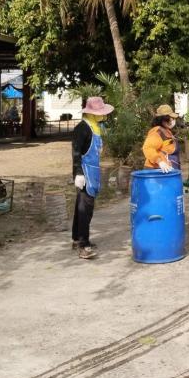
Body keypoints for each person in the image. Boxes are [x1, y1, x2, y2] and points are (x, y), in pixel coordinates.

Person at [71, 96, 115, 260]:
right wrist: (78, 173)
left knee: (81, 207)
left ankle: (77, 238)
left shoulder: (95, 127)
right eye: (100, 112)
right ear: (91, 113)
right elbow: (76, 153)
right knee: (85, 210)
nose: (103, 115)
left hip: (93, 172)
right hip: (84, 173)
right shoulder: (82, 128)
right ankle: (83, 245)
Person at [142, 105, 180, 172]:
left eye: (173, 118)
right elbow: (148, 148)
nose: (171, 121)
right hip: (156, 172)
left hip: (167, 170)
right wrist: (160, 161)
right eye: (168, 119)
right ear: (161, 120)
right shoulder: (157, 132)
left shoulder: (167, 131)